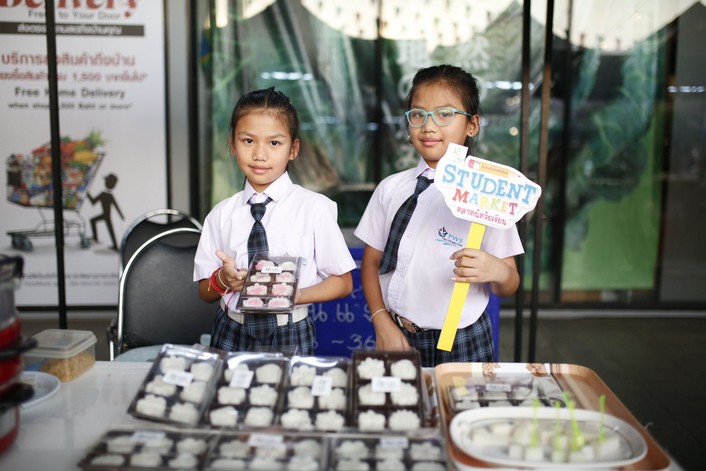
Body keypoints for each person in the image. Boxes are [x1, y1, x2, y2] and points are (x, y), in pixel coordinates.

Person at [354, 65, 523, 367]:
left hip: (462, 339)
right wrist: (381, 321)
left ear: (472, 125)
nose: (429, 126)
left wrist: (497, 270)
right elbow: (371, 262)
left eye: (445, 114)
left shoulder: (488, 193)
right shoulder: (390, 188)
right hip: (397, 333)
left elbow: (509, 284)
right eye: (418, 114)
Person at [194, 87, 356, 354]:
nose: (260, 154)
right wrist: (223, 279)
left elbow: (343, 282)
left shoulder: (315, 209)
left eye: (274, 143)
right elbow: (204, 291)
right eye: (248, 141)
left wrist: (295, 295)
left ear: (293, 149)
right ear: (232, 144)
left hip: (290, 329)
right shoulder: (221, 214)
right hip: (231, 328)